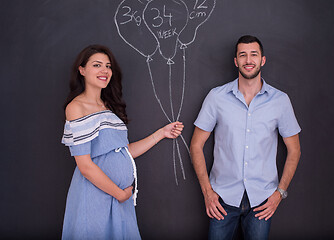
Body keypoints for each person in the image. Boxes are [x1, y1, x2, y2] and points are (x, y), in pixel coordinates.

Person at [61, 44, 184, 239]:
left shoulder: (107, 106)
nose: (104, 71)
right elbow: (84, 165)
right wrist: (119, 194)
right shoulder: (76, 107)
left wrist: (161, 133)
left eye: (108, 66)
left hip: (119, 198)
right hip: (96, 196)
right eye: (97, 65)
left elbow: (123, 151)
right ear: (82, 70)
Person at [190, 35, 301, 240]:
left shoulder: (280, 101)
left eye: (253, 55)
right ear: (236, 61)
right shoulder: (216, 97)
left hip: (262, 201)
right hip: (222, 200)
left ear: (262, 60)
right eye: (243, 55)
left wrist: (280, 193)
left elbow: (294, 150)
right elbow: (196, 145)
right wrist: (207, 192)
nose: (248, 60)